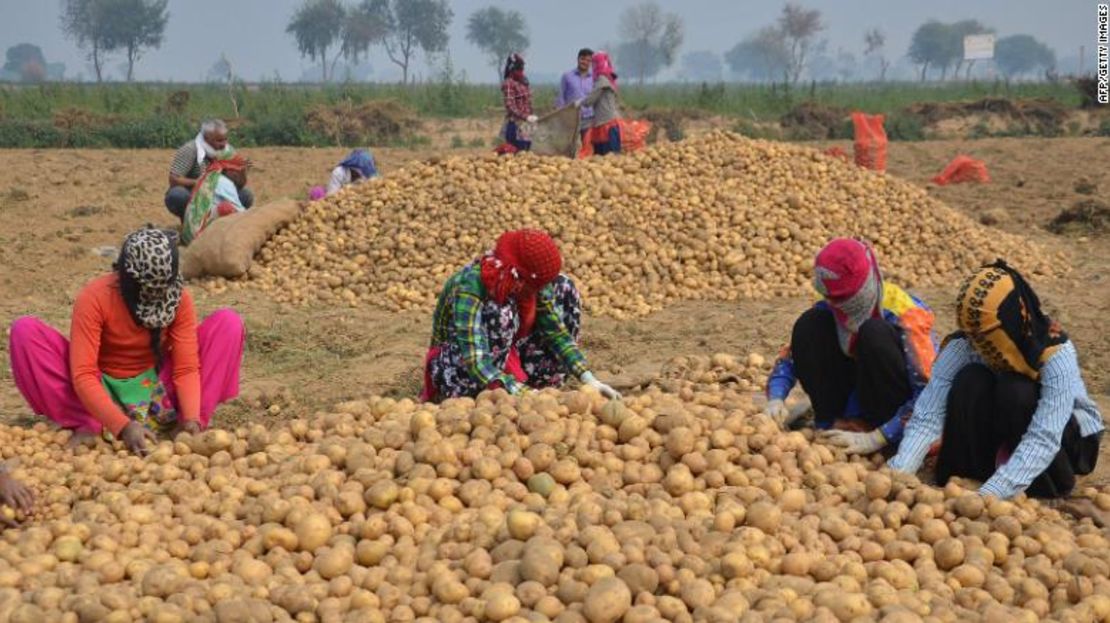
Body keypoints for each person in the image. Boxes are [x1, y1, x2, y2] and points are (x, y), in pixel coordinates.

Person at [8, 227, 245, 457]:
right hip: (97, 390)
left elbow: (186, 368)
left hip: (158, 391)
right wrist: (123, 426)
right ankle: (88, 423)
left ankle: (187, 426)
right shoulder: (95, 297)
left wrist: (192, 417)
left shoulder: (179, 298)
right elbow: (84, 374)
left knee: (228, 323)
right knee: (25, 331)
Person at [888, 261, 1103, 506]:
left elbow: (1045, 436)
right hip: (1007, 426)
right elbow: (928, 414)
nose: (979, 345)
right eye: (972, 335)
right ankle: (977, 474)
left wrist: (988, 495)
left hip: (1066, 440)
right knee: (970, 380)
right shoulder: (965, 343)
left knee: (1016, 389)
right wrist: (898, 472)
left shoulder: (1054, 352)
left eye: (986, 335)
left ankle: (1044, 487)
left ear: (1012, 320)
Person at [764, 238, 938, 454]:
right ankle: (831, 425)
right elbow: (795, 354)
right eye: (832, 299)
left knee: (874, 333)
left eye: (844, 299)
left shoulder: (906, 314)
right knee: (810, 323)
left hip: (895, 413)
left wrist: (878, 437)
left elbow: (932, 394)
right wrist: (776, 397)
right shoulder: (829, 301)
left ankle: (881, 437)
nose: (837, 306)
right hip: (848, 403)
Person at [421, 229, 619, 402]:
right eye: (537, 286)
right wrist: (528, 396)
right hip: (460, 367)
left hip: (508, 353)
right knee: (500, 311)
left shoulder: (526, 283)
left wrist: (588, 377)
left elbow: (556, 333)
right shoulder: (471, 285)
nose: (542, 289)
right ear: (519, 277)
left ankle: (530, 387)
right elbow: (476, 361)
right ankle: (498, 392)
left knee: (564, 286)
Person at [165, 119, 254, 219]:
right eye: (219, 140)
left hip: (218, 193)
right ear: (207, 138)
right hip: (194, 194)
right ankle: (188, 222)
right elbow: (174, 179)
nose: (224, 144)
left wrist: (241, 171)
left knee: (245, 195)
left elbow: (239, 184)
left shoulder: (228, 152)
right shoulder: (190, 150)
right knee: (177, 195)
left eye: (225, 139)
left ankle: (226, 223)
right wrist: (198, 183)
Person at [181, 154, 250, 245]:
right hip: (199, 237)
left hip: (189, 234)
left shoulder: (211, 176)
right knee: (227, 209)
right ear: (233, 172)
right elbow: (241, 212)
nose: (243, 175)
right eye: (241, 171)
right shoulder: (224, 182)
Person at [576, 51, 622, 156]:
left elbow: (591, 99)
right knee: (602, 157)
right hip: (603, 121)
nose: (593, 66)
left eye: (594, 63)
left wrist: (579, 102)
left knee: (609, 156)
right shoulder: (608, 77)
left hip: (606, 123)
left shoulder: (602, 79)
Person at [501, 53, 537, 153]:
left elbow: (528, 102)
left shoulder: (523, 82)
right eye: (519, 68)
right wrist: (525, 117)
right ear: (512, 68)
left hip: (527, 125)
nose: (521, 70)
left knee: (527, 151)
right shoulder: (509, 83)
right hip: (516, 124)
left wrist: (531, 116)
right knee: (517, 153)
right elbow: (510, 105)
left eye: (522, 67)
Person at [556, 48, 594, 140]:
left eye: (588, 60)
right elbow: (561, 97)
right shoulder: (567, 76)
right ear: (578, 59)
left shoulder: (594, 78)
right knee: (569, 145)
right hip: (571, 117)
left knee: (587, 146)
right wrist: (560, 115)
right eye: (582, 59)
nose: (585, 62)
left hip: (589, 117)